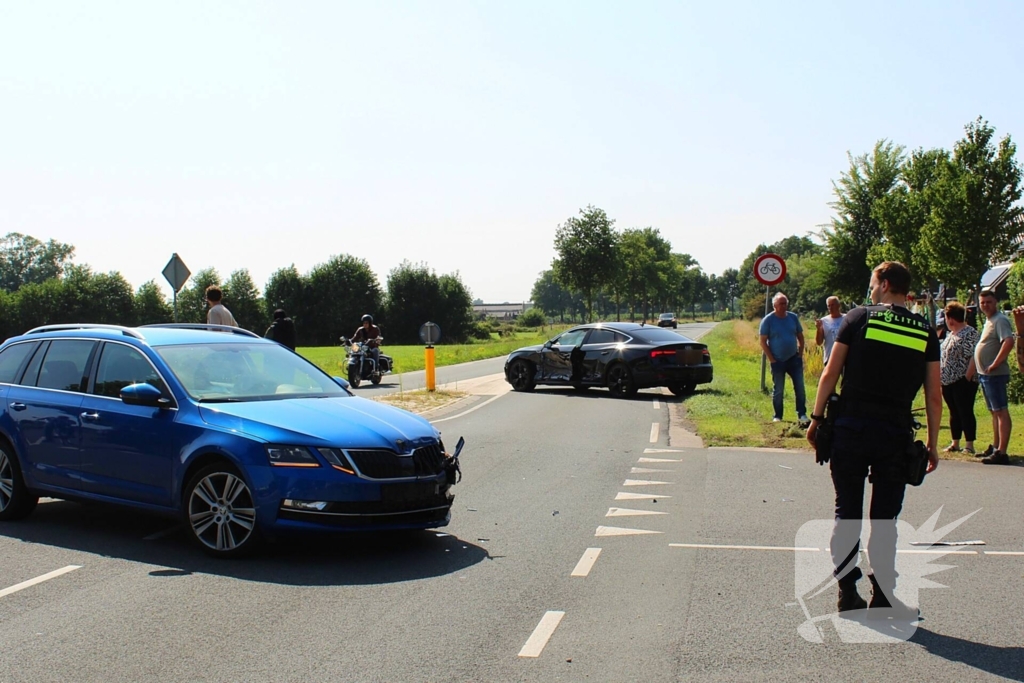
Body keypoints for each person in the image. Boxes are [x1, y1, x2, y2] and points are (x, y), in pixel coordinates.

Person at [806, 261, 941, 619]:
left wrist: (816, 419)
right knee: (885, 519)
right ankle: (882, 594)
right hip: (895, 433)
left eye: (872, 282)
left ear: (883, 283)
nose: (871, 289)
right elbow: (933, 394)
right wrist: (932, 443)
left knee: (846, 511)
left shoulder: (858, 318)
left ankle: (847, 592)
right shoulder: (925, 331)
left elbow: (830, 372)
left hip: (851, 428)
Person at [973, 290, 1013, 465]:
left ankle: (1002, 452)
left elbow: (1008, 341)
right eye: (982, 303)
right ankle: (996, 446)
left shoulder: (1000, 320)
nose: (985, 305)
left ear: (995, 301)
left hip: (995, 374)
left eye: (988, 302)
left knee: (1001, 411)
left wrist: (996, 363)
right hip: (986, 374)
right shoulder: (989, 320)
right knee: (994, 412)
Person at [759, 292, 808, 425]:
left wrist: (800, 354)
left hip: (794, 359)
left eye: (785, 303)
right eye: (781, 303)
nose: (784, 306)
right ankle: (778, 415)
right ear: (774, 305)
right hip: (778, 360)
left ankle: (802, 414)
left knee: (800, 388)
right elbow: (763, 341)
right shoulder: (768, 320)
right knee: (779, 390)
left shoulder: (793, 317)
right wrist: (772, 360)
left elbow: (800, 337)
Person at [939, 302, 979, 454]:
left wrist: (967, 377)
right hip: (947, 380)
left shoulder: (969, 333)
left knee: (965, 411)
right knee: (953, 412)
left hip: (963, 380)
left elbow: (973, 355)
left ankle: (969, 444)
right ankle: (955, 442)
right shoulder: (950, 334)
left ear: (951, 318)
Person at [815, 296, 845, 365]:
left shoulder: (846, 318)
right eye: (829, 306)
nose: (830, 308)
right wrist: (819, 329)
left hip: (844, 356)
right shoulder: (824, 321)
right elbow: (819, 342)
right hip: (830, 357)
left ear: (838, 305)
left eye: (832, 305)